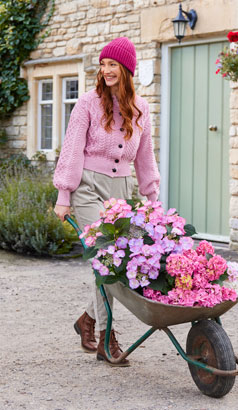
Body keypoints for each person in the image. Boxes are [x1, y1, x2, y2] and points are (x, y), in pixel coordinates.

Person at [53, 37, 160, 367]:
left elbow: (145, 157)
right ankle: (106, 337)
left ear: (126, 69)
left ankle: (87, 319)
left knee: (121, 263)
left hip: (120, 190)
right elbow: (71, 149)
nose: (106, 70)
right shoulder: (87, 103)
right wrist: (64, 194)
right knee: (105, 260)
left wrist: (152, 197)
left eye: (113, 64)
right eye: (103, 65)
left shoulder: (140, 109)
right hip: (86, 188)